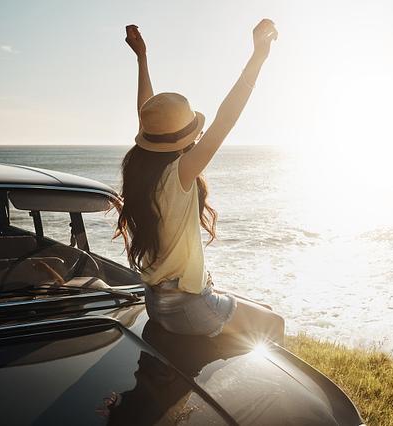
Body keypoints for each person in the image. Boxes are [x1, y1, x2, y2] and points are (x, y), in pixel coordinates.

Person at [115, 20, 284, 344]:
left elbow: (147, 113)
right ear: (180, 141)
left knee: (260, 309)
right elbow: (225, 119)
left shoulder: (143, 169)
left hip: (157, 302)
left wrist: (142, 58)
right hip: (188, 307)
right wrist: (258, 57)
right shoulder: (180, 172)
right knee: (273, 323)